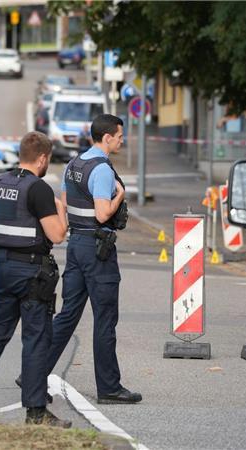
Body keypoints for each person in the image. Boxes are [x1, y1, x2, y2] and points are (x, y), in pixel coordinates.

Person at [0, 131, 71, 427]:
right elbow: (57, 235)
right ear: (43, 158)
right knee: (35, 340)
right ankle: (35, 412)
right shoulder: (39, 189)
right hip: (32, 273)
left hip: (2, 271)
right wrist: (62, 211)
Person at [46, 114, 141, 404]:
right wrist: (120, 195)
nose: (122, 140)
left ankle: (33, 372)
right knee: (105, 319)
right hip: (98, 250)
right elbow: (102, 214)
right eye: (120, 136)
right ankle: (109, 388)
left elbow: (63, 201)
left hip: (76, 245)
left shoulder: (74, 164)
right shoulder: (101, 169)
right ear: (107, 137)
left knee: (68, 314)